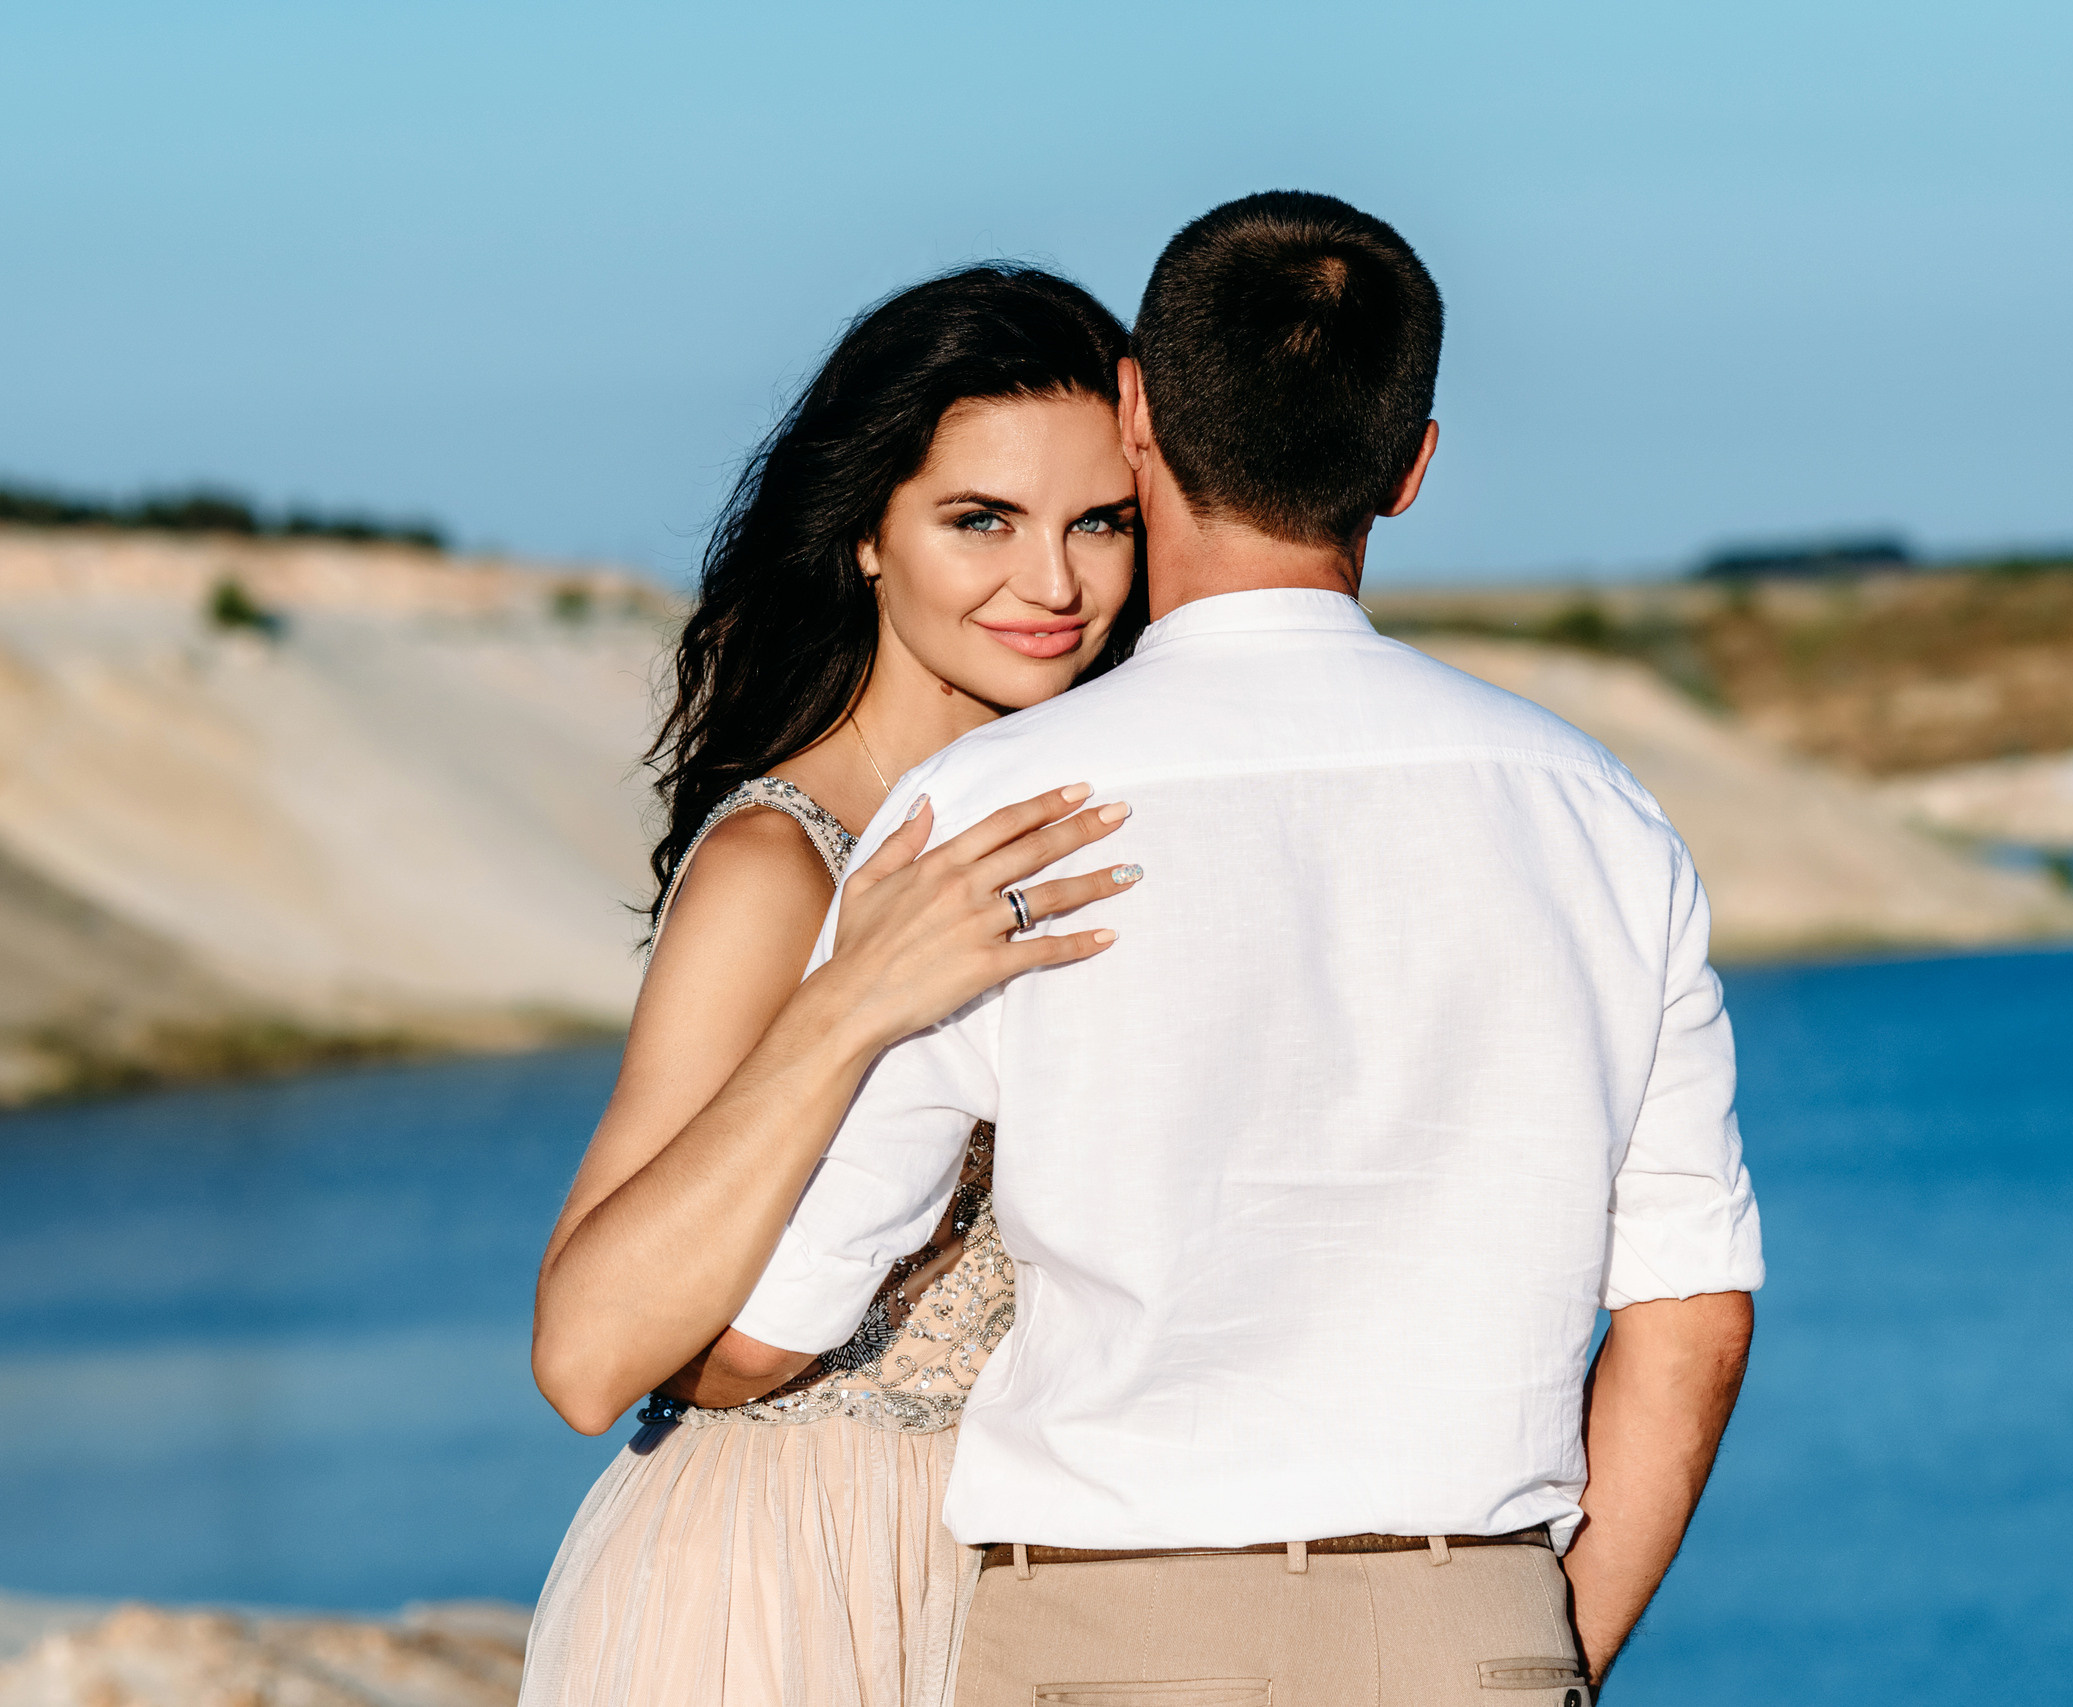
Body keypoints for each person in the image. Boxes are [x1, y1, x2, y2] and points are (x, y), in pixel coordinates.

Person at [730, 192, 1764, 1704]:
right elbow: (1690, 1313)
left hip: (1099, 1644)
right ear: (1409, 467)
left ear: (1136, 415)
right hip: (1466, 1629)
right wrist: (1541, 1654)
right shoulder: (1597, 814)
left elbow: (787, 1306)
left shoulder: (992, 809)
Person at [523, 266, 1152, 1707]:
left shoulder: (1093, 812)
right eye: (979, 520)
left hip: (1023, 1588)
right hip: (770, 1592)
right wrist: (852, 998)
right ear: (869, 532)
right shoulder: (777, 865)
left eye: (1098, 522)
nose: (1052, 584)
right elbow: (584, 1355)